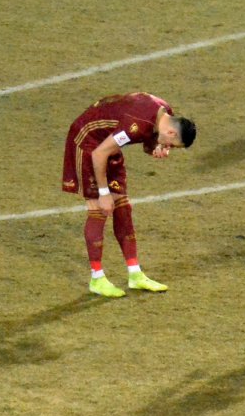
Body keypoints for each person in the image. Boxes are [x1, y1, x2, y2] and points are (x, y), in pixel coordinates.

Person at [61, 92, 194, 298]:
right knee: (99, 209)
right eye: (171, 145)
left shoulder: (165, 112)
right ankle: (97, 279)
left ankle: (135, 274)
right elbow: (99, 153)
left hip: (107, 143)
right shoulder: (136, 124)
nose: (169, 148)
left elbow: (145, 139)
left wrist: (156, 147)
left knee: (123, 207)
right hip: (87, 143)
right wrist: (103, 193)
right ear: (171, 132)